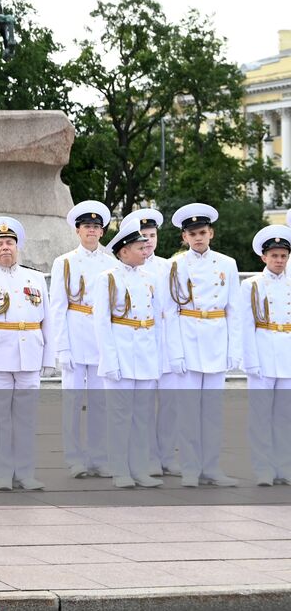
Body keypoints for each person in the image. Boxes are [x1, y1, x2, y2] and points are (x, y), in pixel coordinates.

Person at [0, 217, 56, 491]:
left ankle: (26, 473)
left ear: (17, 247)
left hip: (30, 354)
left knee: (27, 418)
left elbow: (47, 321)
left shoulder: (36, 278)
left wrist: (49, 358)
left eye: (9, 243)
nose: (5, 248)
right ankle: (3, 473)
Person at [165, 203, 242, 487]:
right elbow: (169, 313)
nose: (198, 238)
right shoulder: (174, 265)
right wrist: (175, 352)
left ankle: (211, 467)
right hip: (187, 340)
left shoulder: (227, 264)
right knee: (188, 412)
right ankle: (189, 468)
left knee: (212, 411)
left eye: (202, 232)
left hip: (216, 341)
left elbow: (235, 310)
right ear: (184, 238)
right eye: (192, 233)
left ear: (211, 233)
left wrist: (235, 350)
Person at [93, 216, 164, 489]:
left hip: (145, 355)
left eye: (145, 246)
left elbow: (156, 322)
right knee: (120, 417)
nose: (145, 251)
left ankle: (140, 468)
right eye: (139, 247)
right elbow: (101, 323)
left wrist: (157, 358)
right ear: (123, 251)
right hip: (120, 356)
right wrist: (109, 361)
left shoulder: (149, 279)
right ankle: (120, 469)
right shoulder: (108, 279)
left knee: (142, 417)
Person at [49, 200, 117, 478]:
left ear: (102, 232)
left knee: (100, 403)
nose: (91, 231)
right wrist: (61, 347)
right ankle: (75, 458)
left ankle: (99, 457)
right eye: (87, 226)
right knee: (73, 402)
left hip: (100, 341)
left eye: (96, 227)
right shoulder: (64, 262)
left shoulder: (111, 263)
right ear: (78, 231)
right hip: (75, 337)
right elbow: (58, 307)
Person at [132, 208, 179, 475]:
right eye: (143, 236)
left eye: (151, 235)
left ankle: (167, 456)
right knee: (145, 405)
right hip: (143, 345)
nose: (148, 241)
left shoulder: (169, 266)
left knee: (170, 404)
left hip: (168, 345)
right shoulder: (128, 270)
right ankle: (147, 456)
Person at [243, 224, 291, 486]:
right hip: (262, 353)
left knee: (285, 416)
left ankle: (284, 467)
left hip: (287, 356)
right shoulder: (252, 285)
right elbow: (246, 326)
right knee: (261, 416)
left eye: (283, 256)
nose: (279, 260)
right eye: (274, 255)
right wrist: (250, 360)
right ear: (263, 257)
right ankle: (263, 469)